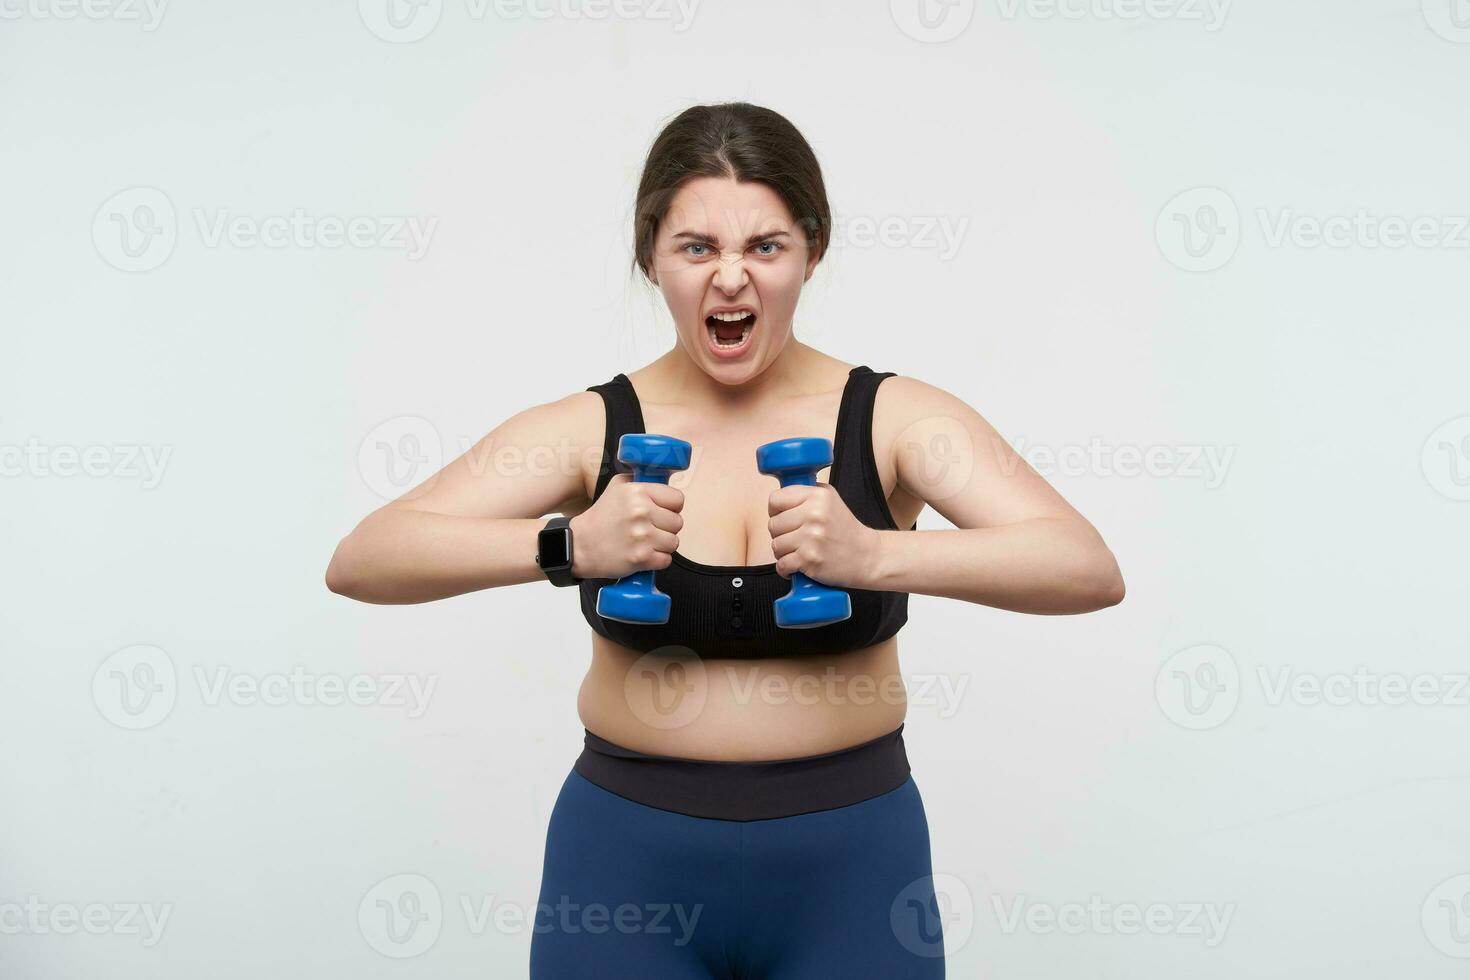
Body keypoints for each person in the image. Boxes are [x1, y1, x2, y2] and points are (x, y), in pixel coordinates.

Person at [325, 101, 1124, 978]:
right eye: (697, 247)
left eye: (765, 247)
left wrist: (876, 555)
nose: (731, 279)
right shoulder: (590, 426)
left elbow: (1083, 566)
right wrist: (567, 548)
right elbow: (366, 558)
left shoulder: (892, 418)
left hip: (853, 873)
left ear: (812, 253)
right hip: (622, 871)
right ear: (652, 257)